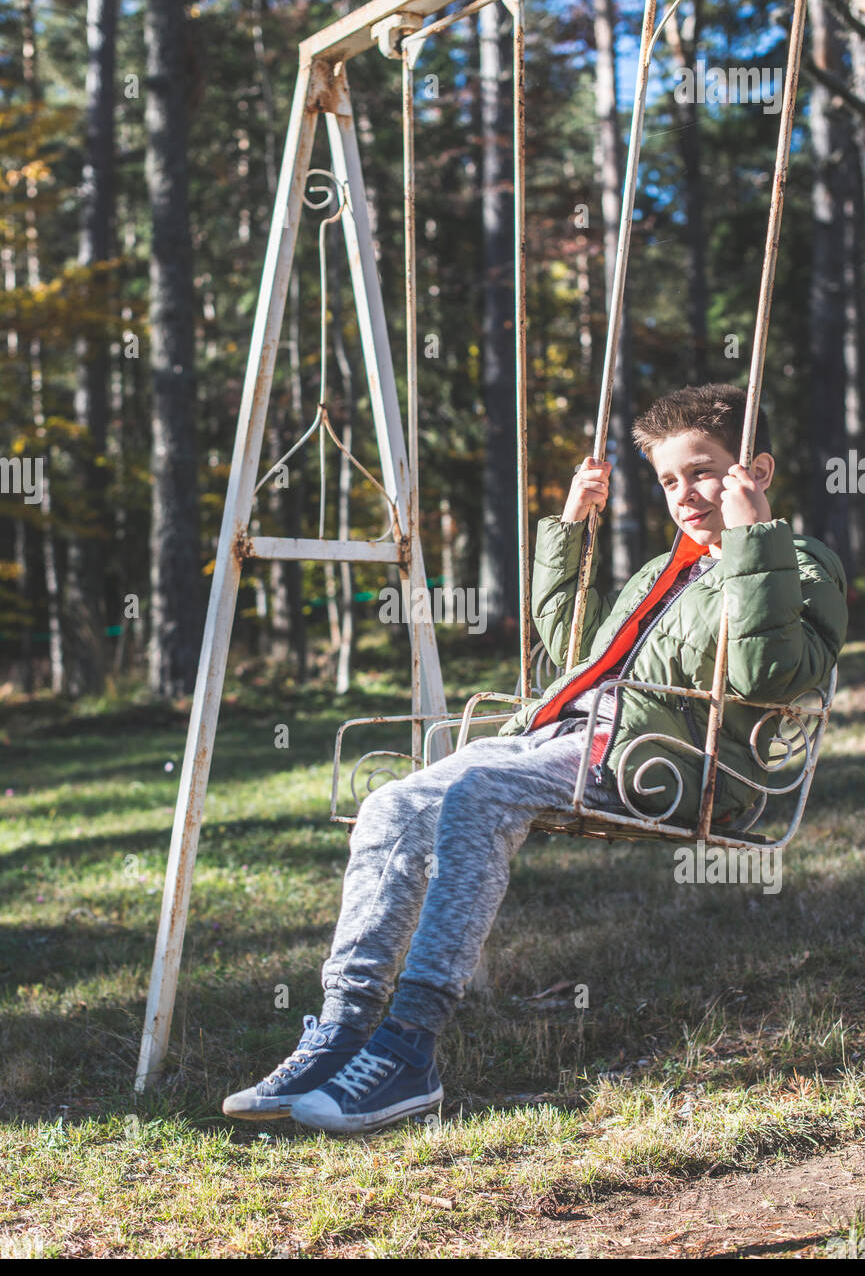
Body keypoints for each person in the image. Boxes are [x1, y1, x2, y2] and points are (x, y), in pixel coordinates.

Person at [222, 383, 848, 1135]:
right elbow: (573, 655)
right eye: (670, 479)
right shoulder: (662, 572)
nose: (686, 493)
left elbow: (765, 676)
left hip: (664, 764)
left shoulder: (803, 564)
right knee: (392, 803)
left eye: (705, 470)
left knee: (480, 791)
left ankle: (408, 1046)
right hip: (566, 735)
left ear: (756, 471)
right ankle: (342, 1029)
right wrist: (571, 530)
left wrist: (753, 541)